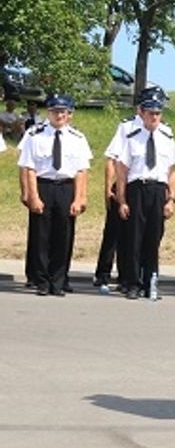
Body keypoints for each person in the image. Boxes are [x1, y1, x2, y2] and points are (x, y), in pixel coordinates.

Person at [17, 94, 92, 296]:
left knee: (64, 236)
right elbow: (29, 168)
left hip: (66, 188)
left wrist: (80, 198)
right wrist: (33, 195)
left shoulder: (78, 138)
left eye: (63, 111)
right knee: (40, 236)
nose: (59, 115)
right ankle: (41, 281)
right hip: (44, 186)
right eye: (55, 111)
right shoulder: (35, 135)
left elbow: (81, 171)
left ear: (70, 114)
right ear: (48, 113)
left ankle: (58, 281)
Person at [115, 93, 175, 300]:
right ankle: (133, 283)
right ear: (142, 114)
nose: (154, 117)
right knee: (134, 239)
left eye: (158, 113)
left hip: (158, 191)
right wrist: (122, 200)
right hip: (137, 189)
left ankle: (150, 283)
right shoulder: (132, 138)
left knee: (154, 238)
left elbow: (172, 171)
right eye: (150, 113)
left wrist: (171, 199)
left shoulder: (167, 137)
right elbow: (121, 170)